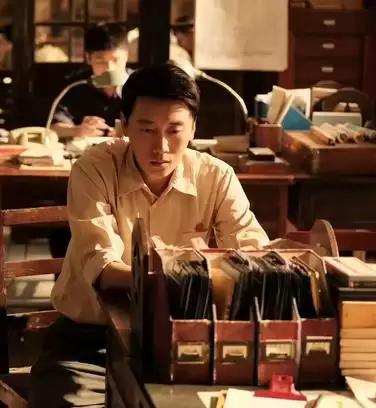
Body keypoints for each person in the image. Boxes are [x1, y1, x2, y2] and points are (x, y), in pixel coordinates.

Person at [28, 63, 269, 407]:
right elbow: (104, 268)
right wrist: (187, 278)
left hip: (184, 336)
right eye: (147, 130)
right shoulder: (93, 170)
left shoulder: (216, 177)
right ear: (124, 126)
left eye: (174, 130)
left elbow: (253, 257)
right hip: (91, 341)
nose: (162, 146)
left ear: (194, 128)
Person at [46, 22, 131, 259]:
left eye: (115, 60)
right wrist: (78, 129)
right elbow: (53, 126)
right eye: (101, 61)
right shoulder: (77, 85)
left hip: (127, 173)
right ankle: (66, 272)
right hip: (83, 170)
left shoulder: (140, 86)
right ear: (88, 59)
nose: (109, 68)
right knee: (65, 210)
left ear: (126, 56)